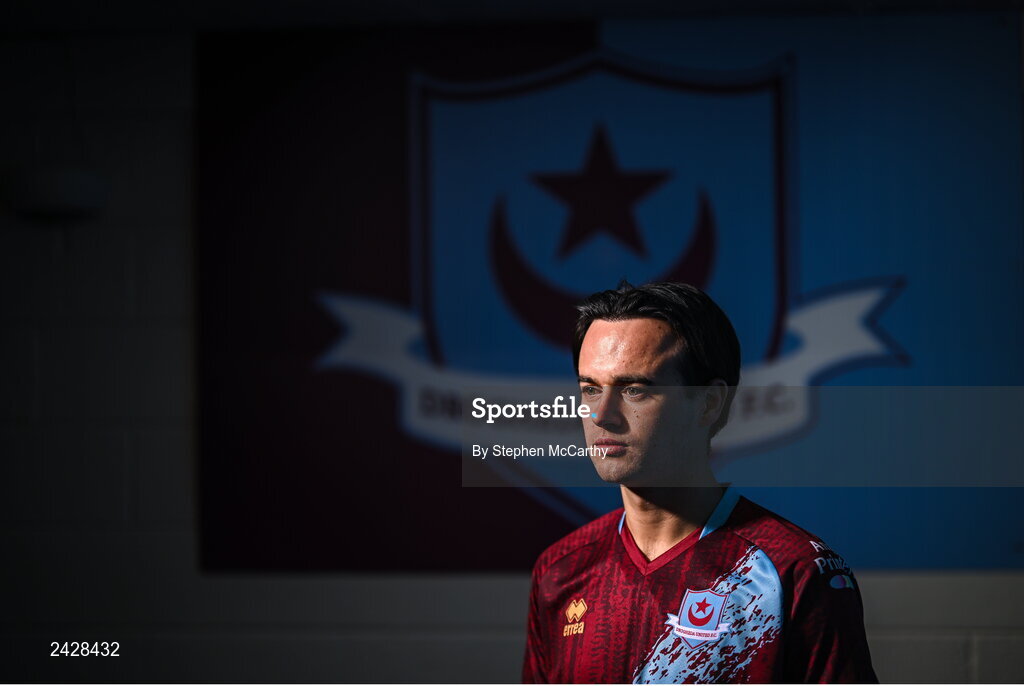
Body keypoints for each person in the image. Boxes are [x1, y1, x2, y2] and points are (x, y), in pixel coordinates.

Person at [522, 281, 877, 684]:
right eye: (590, 388)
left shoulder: (792, 572)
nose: (602, 415)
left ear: (710, 403)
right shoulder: (560, 570)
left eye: (635, 389)